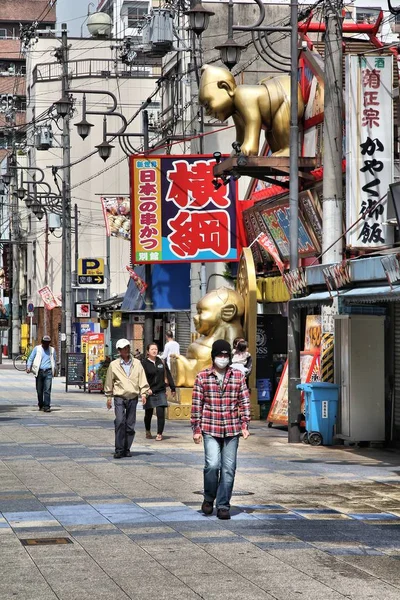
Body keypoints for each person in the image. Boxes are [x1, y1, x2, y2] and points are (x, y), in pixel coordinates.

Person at [191, 339, 250, 520]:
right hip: (210, 427)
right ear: (213, 357)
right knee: (212, 465)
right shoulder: (202, 377)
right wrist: (196, 428)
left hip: (232, 428)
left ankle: (223, 505)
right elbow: (196, 404)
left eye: (226, 355)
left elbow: (245, 401)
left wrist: (245, 424)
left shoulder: (238, 376)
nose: (223, 358)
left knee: (228, 468)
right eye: (220, 355)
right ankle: (209, 497)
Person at [104, 339, 150, 459]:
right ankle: (119, 449)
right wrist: (109, 397)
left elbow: (142, 379)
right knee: (120, 421)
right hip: (119, 396)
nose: (127, 349)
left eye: (128, 347)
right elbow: (109, 381)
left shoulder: (137, 363)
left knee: (130, 425)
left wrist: (144, 394)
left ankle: (127, 448)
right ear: (119, 351)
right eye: (124, 348)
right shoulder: (113, 365)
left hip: (133, 397)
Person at [142, 342, 176, 441]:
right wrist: (145, 389)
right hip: (149, 391)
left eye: (156, 349)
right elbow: (141, 377)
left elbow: (168, 375)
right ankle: (148, 430)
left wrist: (173, 388)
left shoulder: (161, 362)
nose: (154, 351)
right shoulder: (144, 363)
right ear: (148, 351)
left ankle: (159, 433)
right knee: (148, 413)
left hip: (161, 390)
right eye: (152, 349)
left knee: (161, 413)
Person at [26, 335, 57, 412]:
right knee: (39, 391)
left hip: (48, 371)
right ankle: (41, 404)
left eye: (48, 343)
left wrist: (55, 370)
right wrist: (28, 367)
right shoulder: (37, 349)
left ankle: (47, 406)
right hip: (39, 371)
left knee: (47, 390)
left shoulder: (52, 350)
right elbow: (31, 358)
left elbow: (54, 360)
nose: (46, 345)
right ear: (42, 342)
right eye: (45, 343)